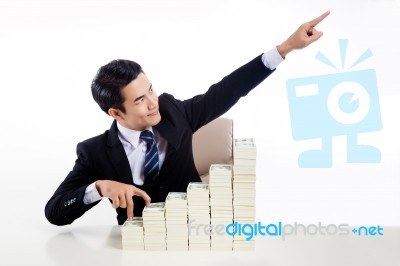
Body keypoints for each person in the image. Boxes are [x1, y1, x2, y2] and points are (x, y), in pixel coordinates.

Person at [45, 11, 330, 226]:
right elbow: (54, 212)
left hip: (197, 230)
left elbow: (227, 90)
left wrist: (285, 48)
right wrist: (98, 188)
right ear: (116, 113)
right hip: (136, 248)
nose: (152, 103)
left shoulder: (173, 112)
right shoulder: (94, 152)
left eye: (151, 89)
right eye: (140, 100)